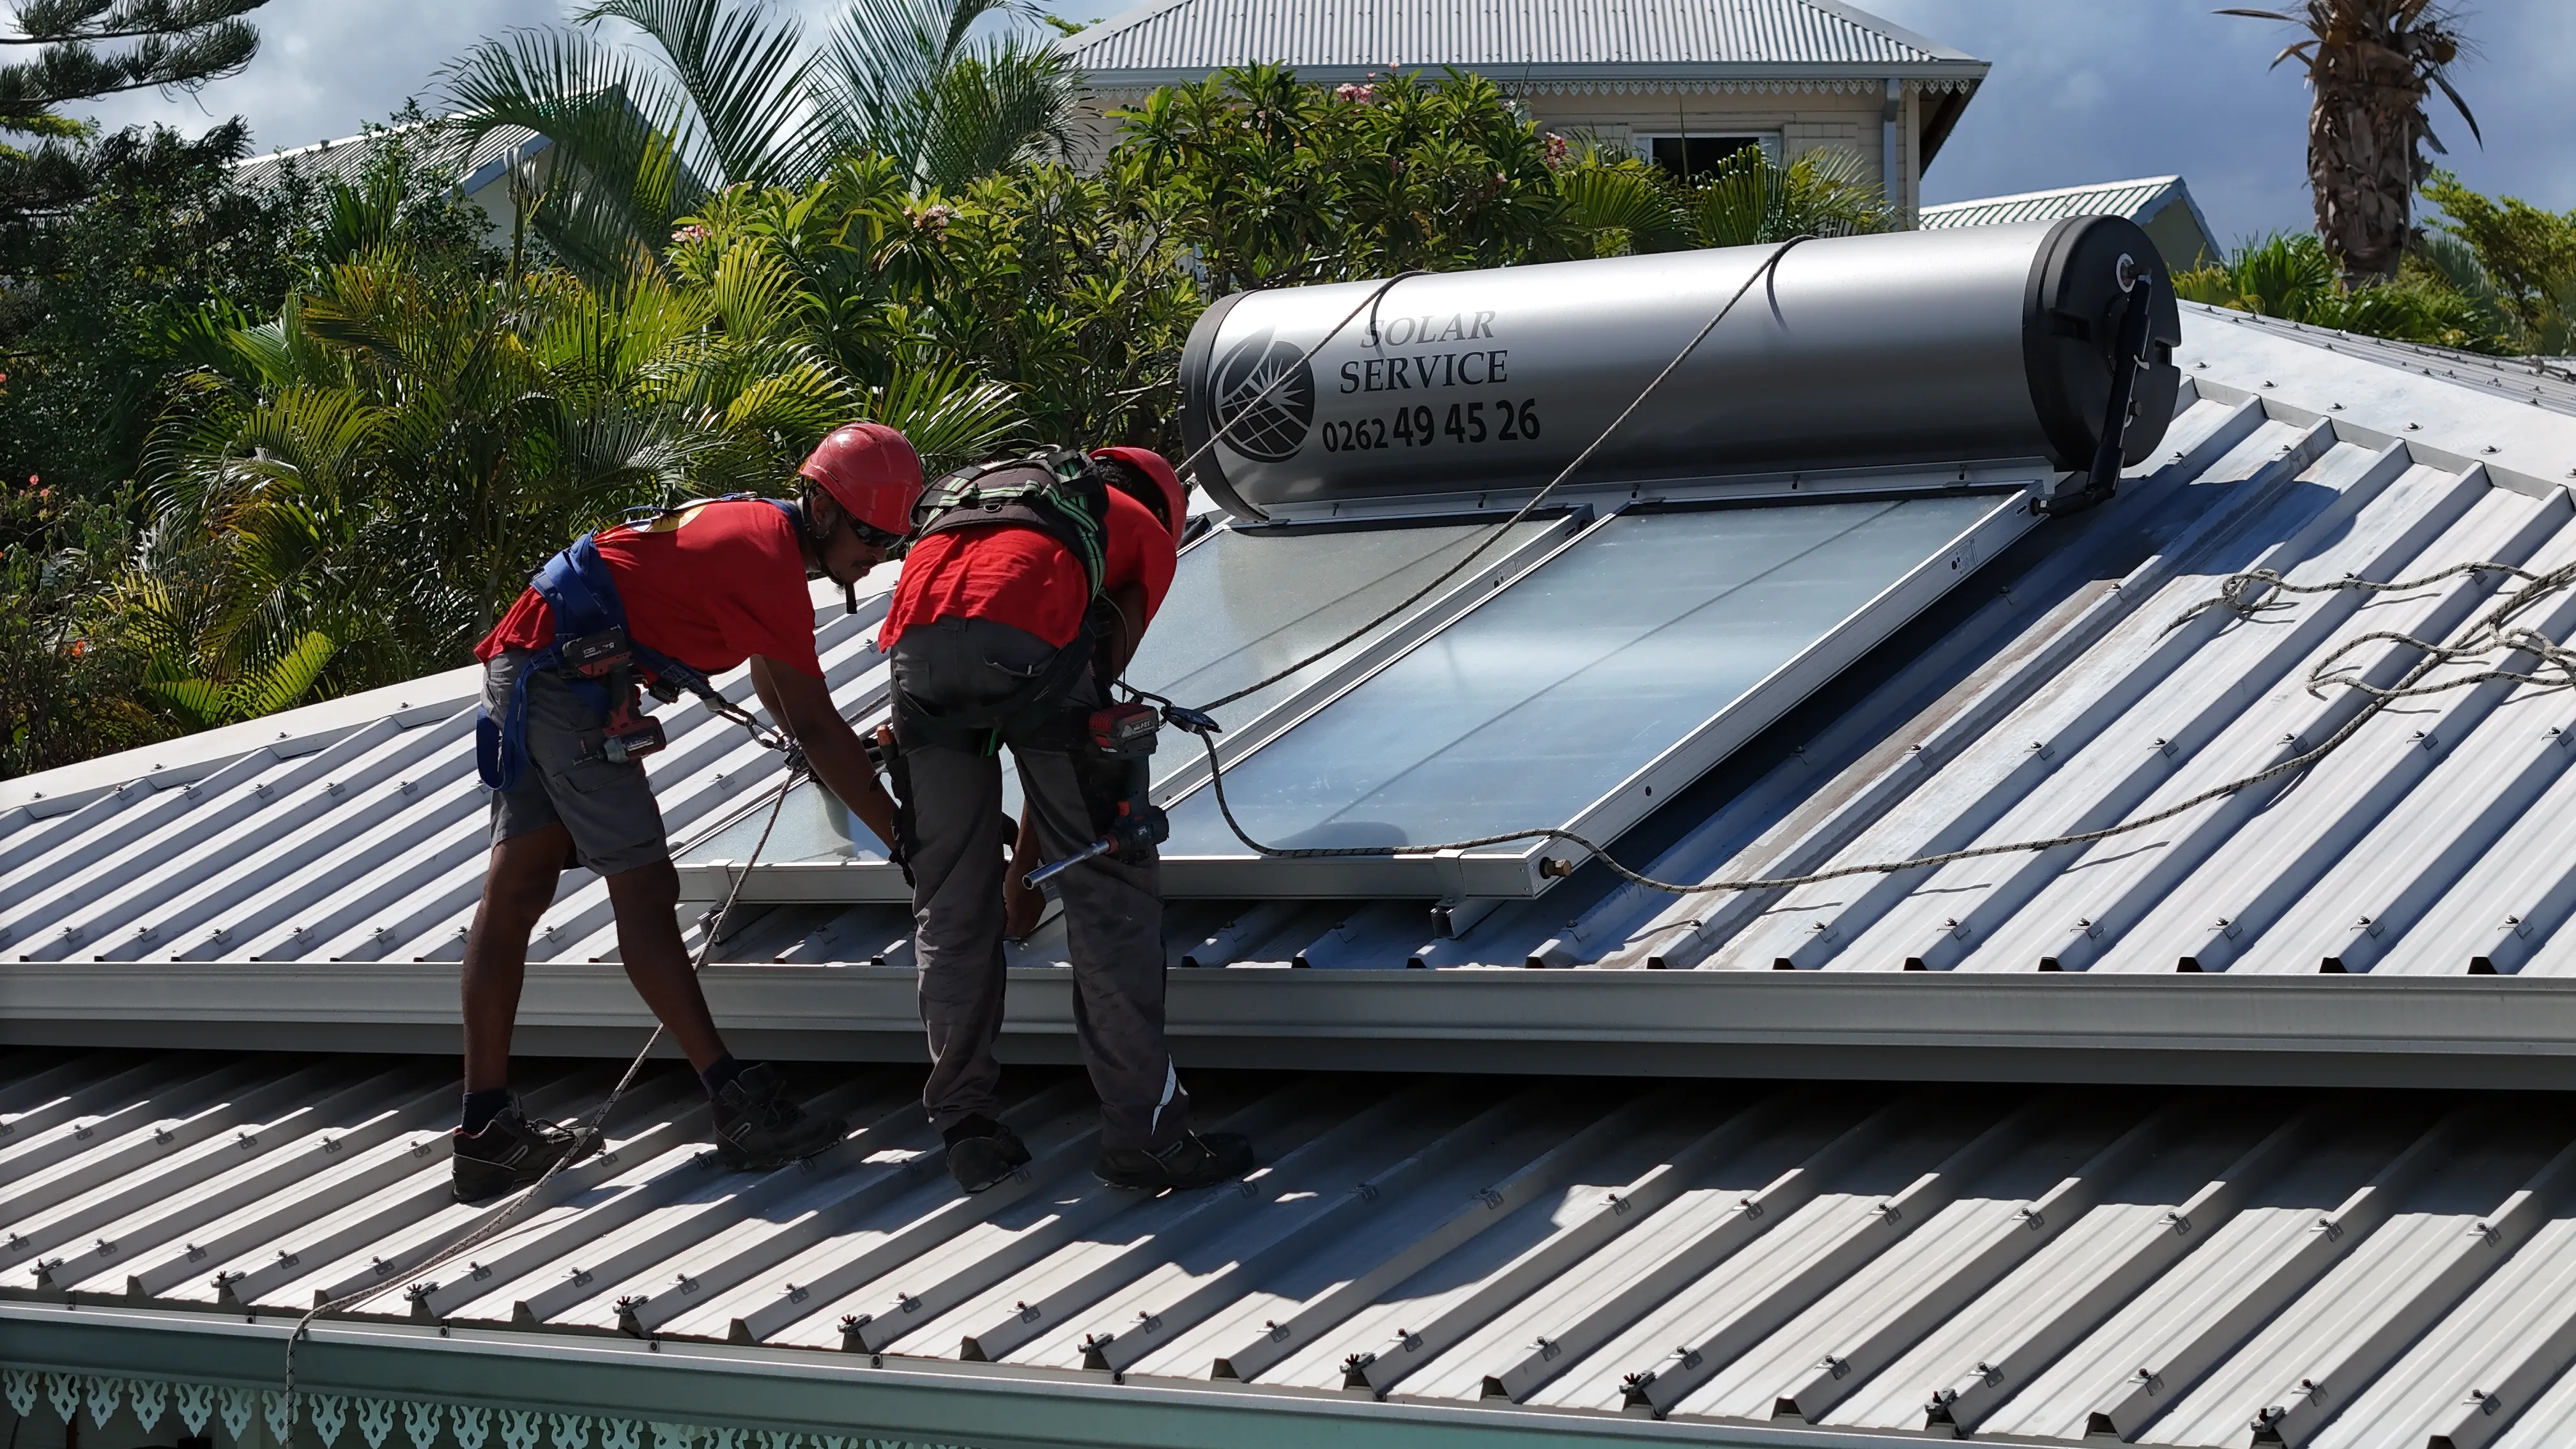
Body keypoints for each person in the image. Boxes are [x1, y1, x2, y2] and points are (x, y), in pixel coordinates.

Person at [452, 422, 919, 1203]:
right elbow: (812, 721)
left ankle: (485, 1132)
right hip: (564, 681)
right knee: (644, 888)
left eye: (893, 542)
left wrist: (853, 783)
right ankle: (734, 1103)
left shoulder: (764, 536)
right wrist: (907, 838)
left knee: (518, 893)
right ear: (827, 510)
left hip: (534, 662)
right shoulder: (768, 557)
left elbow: (780, 691)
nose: (879, 554)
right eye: (871, 535)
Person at [882, 443, 1251, 1195]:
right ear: (1164, 508)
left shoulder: (987, 509)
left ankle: (968, 1127)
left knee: (949, 902)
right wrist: (1034, 878)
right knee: (1108, 892)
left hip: (914, 658)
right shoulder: (1140, 530)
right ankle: (1145, 1140)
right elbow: (1083, 706)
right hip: (1021, 650)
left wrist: (1014, 879)